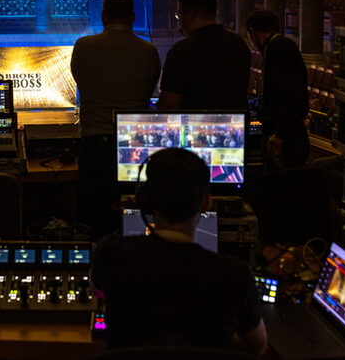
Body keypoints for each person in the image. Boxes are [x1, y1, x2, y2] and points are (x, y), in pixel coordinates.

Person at [91, 148, 266, 354]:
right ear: (206, 203)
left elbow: (98, 291)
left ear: (145, 200)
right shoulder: (237, 275)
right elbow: (258, 347)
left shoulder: (110, 254)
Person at [71, 0, 161, 237]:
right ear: (133, 17)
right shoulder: (149, 50)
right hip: (137, 146)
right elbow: (148, 91)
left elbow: (82, 83)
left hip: (95, 145)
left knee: (95, 219)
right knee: (133, 215)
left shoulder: (84, 47)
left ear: (103, 17)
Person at [157, 0, 251, 111]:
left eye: (179, 15)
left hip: (194, 125)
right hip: (235, 125)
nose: (179, 21)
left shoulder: (182, 50)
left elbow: (169, 104)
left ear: (191, 15)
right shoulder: (239, 44)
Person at [246, 10, 310, 170]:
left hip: (285, 137)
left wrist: (279, 134)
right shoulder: (279, 45)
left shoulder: (278, 48)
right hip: (286, 131)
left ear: (252, 32)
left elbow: (287, 94)